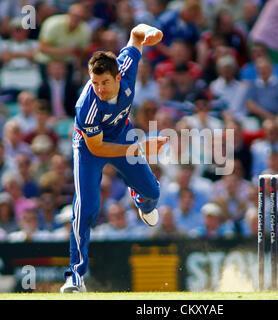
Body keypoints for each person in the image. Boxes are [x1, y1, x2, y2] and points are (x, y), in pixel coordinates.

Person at [60, 24, 168, 293]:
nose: (99, 88)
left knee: (152, 192)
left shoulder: (127, 65)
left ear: (118, 76)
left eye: (104, 82)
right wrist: (139, 149)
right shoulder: (87, 106)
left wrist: (151, 31)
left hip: (122, 136)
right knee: (87, 208)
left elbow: (135, 34)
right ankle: (75, 276)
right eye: (94, 83)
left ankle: (140, 199)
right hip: (89, 148)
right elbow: (98, 149)